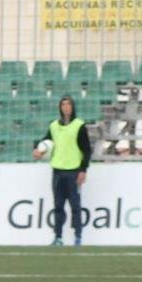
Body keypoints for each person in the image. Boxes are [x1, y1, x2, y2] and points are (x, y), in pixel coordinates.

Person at [32, 94, 91, 246]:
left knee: (75, 207)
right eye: (63, 104)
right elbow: (44, 142)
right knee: (58, 207)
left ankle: (78, 237)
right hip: (57, 172)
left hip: (73, 172)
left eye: (69, 104)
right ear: (60, 107)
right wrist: (37, 150)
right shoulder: (53, 126)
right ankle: (58, 237)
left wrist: (83, 170)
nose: (66, 107)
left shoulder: (79, 125)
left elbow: (87, 150)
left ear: (73, 107)